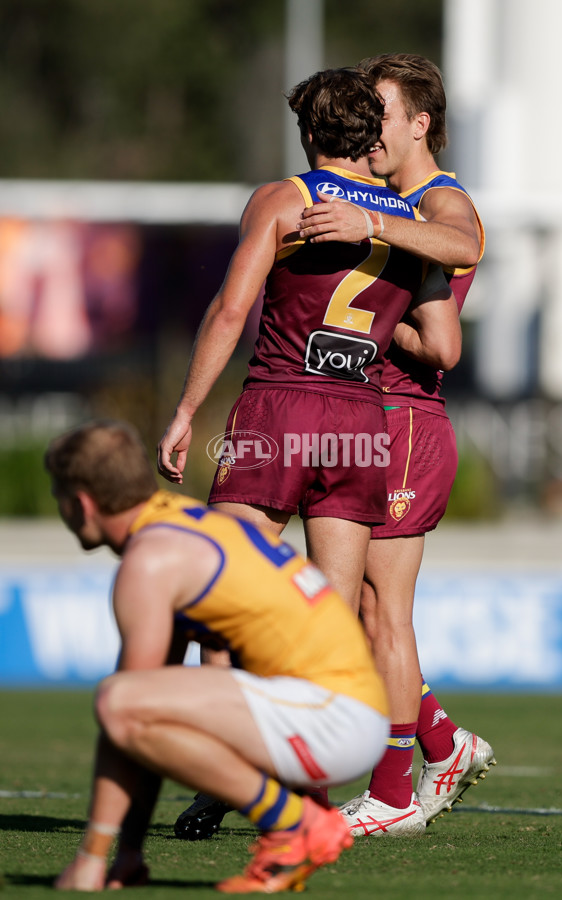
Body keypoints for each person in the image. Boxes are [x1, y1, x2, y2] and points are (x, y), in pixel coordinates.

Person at [157, 66, 456, 615]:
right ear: (371, 136)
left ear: (310, 133)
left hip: (279, 405)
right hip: (361, 424)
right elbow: (445, 344)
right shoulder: (408, 221)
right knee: (335, 621)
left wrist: (185, 409)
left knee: (224, 594)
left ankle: (230, 701)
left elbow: (229, 313)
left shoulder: (282, 200)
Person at [46, 419, 391, 893]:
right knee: (132, 706)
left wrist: (92, 857)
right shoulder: (179, 524)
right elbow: (141, 729)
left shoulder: (152, 559)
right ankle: (291, 827)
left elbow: (126, 709)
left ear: (82, 503)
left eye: (58, 495)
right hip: (348, 710)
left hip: (334, 718)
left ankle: (296, 824)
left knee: (119, 700)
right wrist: (127, 854)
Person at [297, 53, 495, 835]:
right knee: (362, 609)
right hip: (365, 416)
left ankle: (393, 792)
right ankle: (441, 741)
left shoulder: (438, 199)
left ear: (419, 122)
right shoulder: (384, 199)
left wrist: (370, 228)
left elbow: (464, 248)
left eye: (382, 111)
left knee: (383, 614)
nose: (370, 128)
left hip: (408, 421)